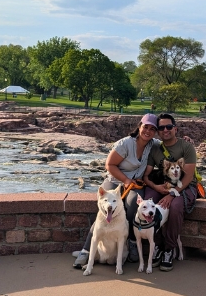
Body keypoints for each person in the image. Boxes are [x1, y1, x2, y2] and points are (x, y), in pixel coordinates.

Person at [73, 113, 161, 268]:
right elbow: (110, 165)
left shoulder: (153, 145)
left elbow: (171, 144)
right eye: (145, 127)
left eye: (152, 129)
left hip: (135, 184)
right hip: (115, 181)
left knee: (134, 203)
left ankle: (132, 242)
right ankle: (86, 250)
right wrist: (125, 180)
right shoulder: (125, 143)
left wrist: (185, 142)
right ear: (139, 126)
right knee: (105, 212)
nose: (148, 131)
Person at [143, 113, 198, 272]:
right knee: (149, 205)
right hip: (162, 185)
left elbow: (187, 176)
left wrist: (172, 194)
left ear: (175, 128)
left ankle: (169, 248)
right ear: (158, 131)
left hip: (184, 187)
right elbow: (146, 175)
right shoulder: (155, 149)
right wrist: (155, 187)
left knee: (174, 208)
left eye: (168, 127)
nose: (165, 130)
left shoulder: (186, 147)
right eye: (161, 128)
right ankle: (157, 245)